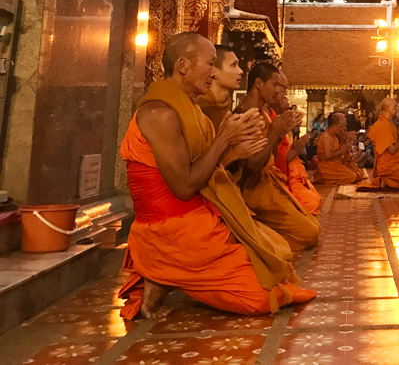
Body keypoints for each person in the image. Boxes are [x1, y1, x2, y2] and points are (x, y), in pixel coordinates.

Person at [118, 32, 314, 319]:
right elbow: (184, 187)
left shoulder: (191, 111)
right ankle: (161, 275)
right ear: (183, 66)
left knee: (275, 259)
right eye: (211, 64)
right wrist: (224, 140)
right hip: (171, 226)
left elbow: (206, 170)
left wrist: (231, 152)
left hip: (198, 216)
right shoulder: (159, 114)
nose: (214, 72)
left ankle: (166, 276)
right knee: (259, 297)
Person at [230, 62, 320, 252]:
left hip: (269, 183)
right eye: (275, 85)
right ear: (258, 84)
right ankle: (257, 243)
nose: (279, 91)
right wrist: (273, 134)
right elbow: (251, 167)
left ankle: (263, 234)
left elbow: (270, 155)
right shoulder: (242, 114)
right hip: (254, 188)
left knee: (314, 227)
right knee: (308, 234)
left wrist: (278, 133)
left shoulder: (263, 114)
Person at [271, 89, 323, 216]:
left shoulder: (284, 126)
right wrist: (296, 150)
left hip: (294, 174)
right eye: (284, 97)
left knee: (316, 199)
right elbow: (275, 162)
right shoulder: (274, 125)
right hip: (283, 177)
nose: (287, 101)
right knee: (312, 202)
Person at [317, 112, 366, 184]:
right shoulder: (327, 137)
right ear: (334, 126)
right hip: (327, 166)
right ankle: (325, 177)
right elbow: (328, 156)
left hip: (336, 164)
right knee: (353, 177)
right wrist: (341, 150)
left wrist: (347, 140)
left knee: (359, 175)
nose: (343, 129)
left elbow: (339, 149)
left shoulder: (334, 135)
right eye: (341, 126)